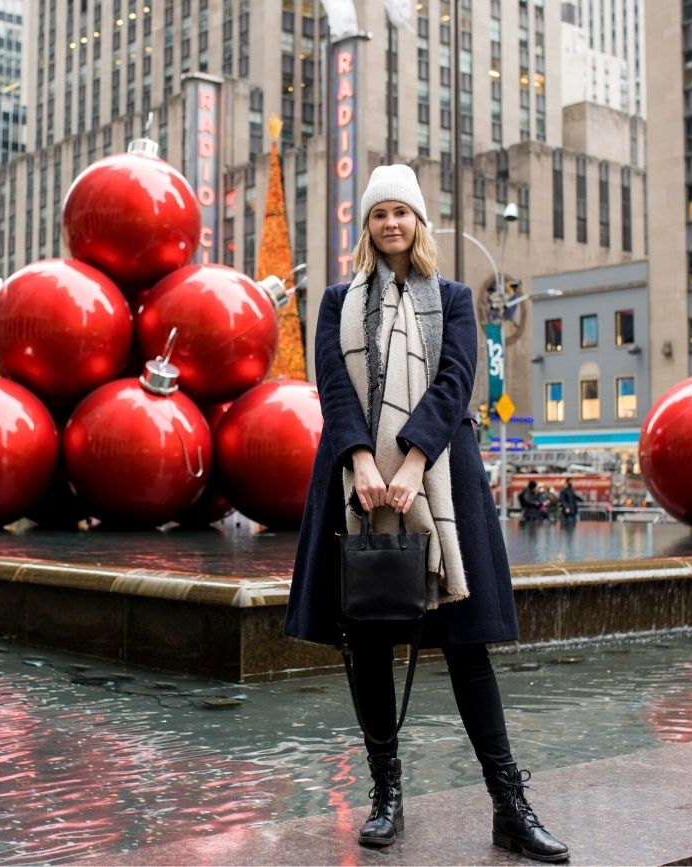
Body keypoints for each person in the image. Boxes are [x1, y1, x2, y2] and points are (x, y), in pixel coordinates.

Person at [284, 164, 569, 862]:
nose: (390, 224)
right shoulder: (335, 301)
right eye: (379, 213)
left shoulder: (453, 297)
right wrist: (361, 464)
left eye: (401, 213)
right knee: (369, 645)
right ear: (367, 226)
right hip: (356, 489)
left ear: (418, 223)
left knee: (467, 651)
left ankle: (510, 804)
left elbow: (455, 381)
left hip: (440, 487)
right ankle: (386, 795)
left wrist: (410, 463)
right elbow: (332, 385)